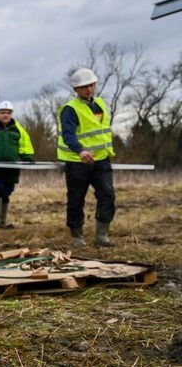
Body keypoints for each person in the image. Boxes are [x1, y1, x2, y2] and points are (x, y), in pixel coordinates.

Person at [57, 67, 116, 247]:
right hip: (78, 162)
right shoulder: (70, 109)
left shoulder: (100, 104)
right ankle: (76, 235)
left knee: (107, 195)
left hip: (101, 160)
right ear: (76, 89)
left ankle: (102, 234)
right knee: (76, 199)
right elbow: (68, 135)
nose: (89, 89)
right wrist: (80, 150)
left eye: (91, 85)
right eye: (84, 87)